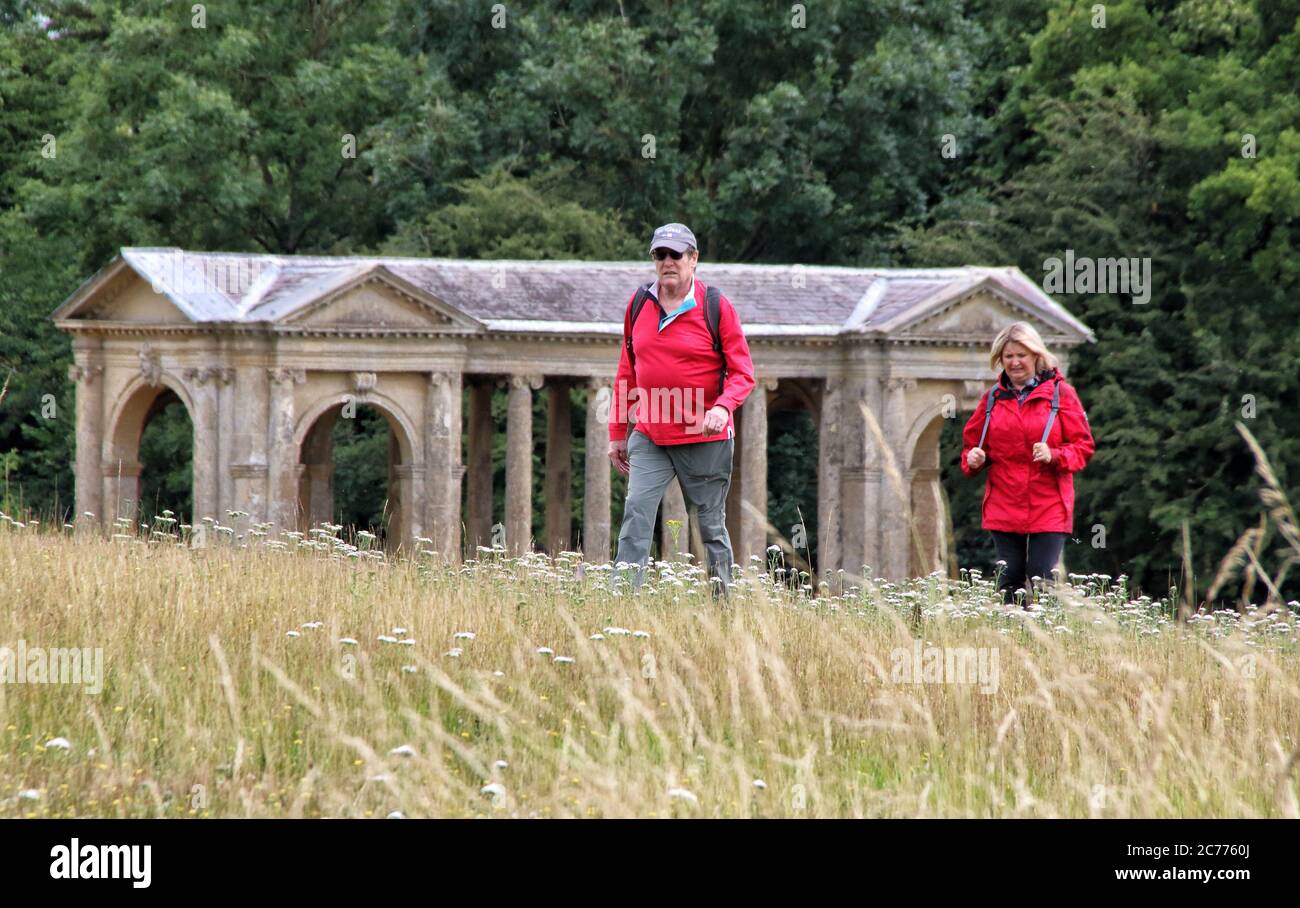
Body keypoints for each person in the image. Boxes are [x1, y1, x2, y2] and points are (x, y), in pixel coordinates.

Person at [608, 223, 755, 594]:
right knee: (636, 516)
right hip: (650, 434)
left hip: (703, 438)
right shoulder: (639, 303)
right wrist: (616, 434)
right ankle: (622, 602)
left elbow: (743, 373)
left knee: (710, 526)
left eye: (676, 255)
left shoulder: (715, 305)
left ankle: (722, 605)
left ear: (694, 259)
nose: (667, 262)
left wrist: (722, 407)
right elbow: (627, 369)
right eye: (660, 255)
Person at [960, 322, 1095, 606]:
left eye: (1021, 355)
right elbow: (972, 447)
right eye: (1008, 356)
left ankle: (1047, 642)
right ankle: (1015, 642)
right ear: (1000, 360)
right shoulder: (992, 399)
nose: (1015, 362)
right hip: (1004, 502)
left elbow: (1083, 447)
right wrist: (974, 459)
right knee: (1009, 579)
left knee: (1041, 578)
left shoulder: (1062, 394)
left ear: (1036, 355)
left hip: (1049, 503)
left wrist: (1054, 455)